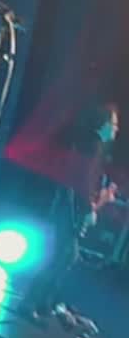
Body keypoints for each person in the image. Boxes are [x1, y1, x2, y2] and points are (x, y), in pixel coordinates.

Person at [25, 100, 120, 321]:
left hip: (71, 207)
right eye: (114, 124)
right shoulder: (92, 147)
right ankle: (31, 303)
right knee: (61, 257)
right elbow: (82, 181)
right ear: (102, 124)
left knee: (67, 257)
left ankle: (44, 303)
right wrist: (91, 207)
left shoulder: (92, 146)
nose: (116, 129)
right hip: (71, 209)